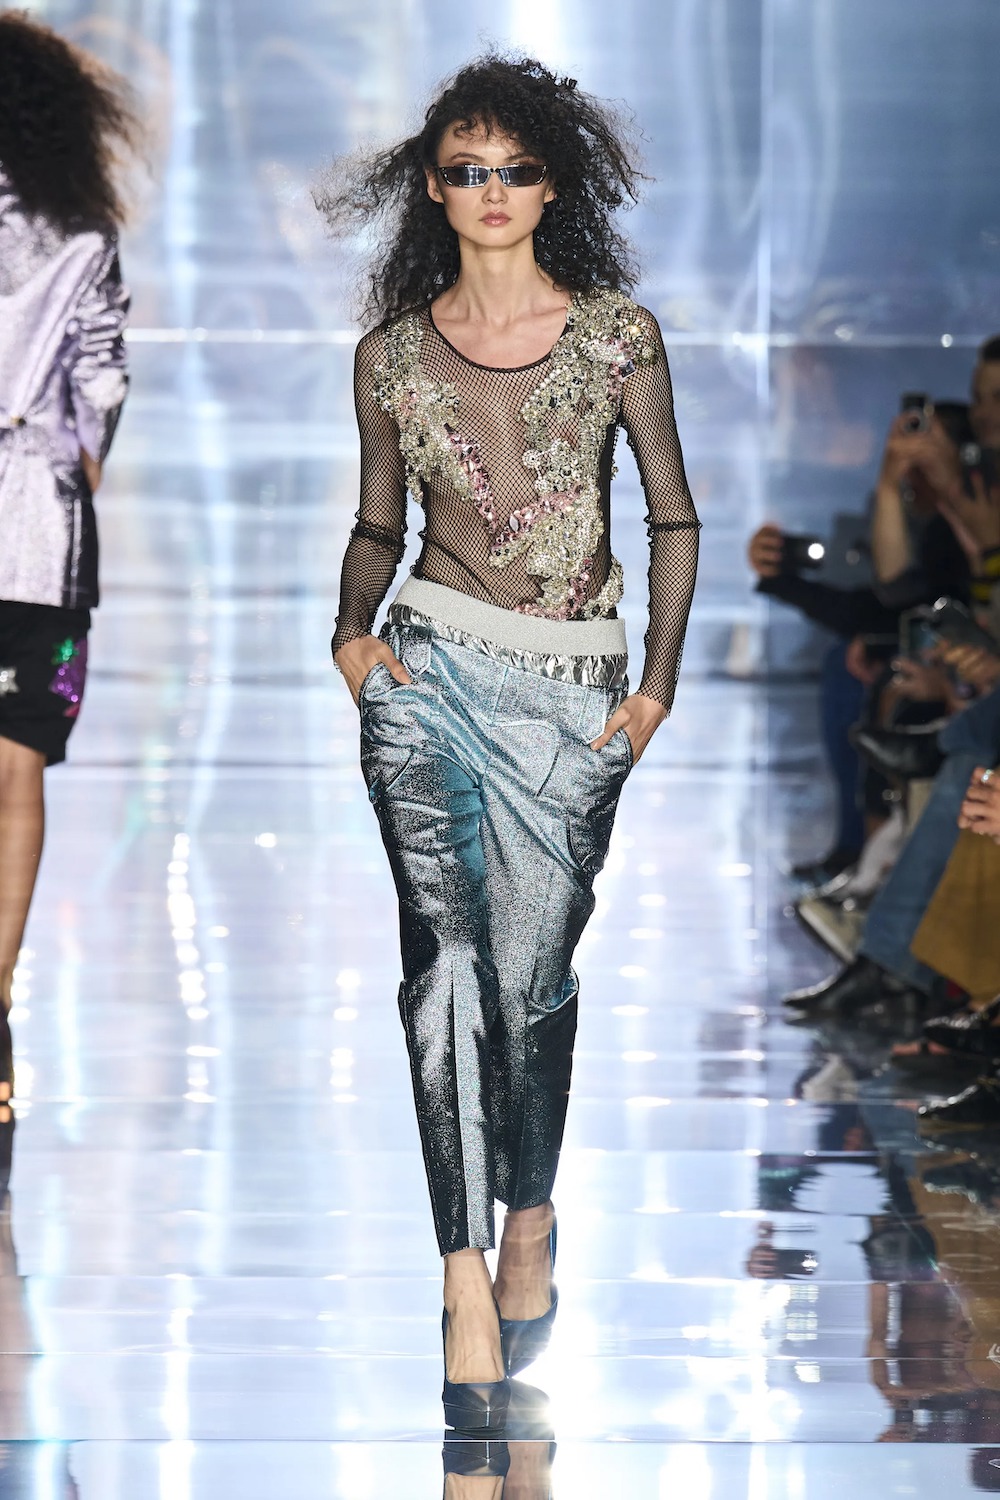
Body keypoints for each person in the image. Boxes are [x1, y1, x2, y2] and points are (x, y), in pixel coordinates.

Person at [316, 53, 700, 1428]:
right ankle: (462, 1276)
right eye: (466, 170)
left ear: (553, 184)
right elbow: (379, 521)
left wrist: (655, 689)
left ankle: (526, 1209)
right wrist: (350, 639)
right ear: (432, 187)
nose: (491, 190)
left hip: (571, 692)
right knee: (444, 967)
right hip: (428, 675)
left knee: (532, 987)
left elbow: (671, 516)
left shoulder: (615, 338)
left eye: (516, 169)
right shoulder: (390, 355)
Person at [0, 13, 136, 1102]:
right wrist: (70, 469)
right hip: (37, 540)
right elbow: (100, 378)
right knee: (15, 765)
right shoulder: (82, 233)